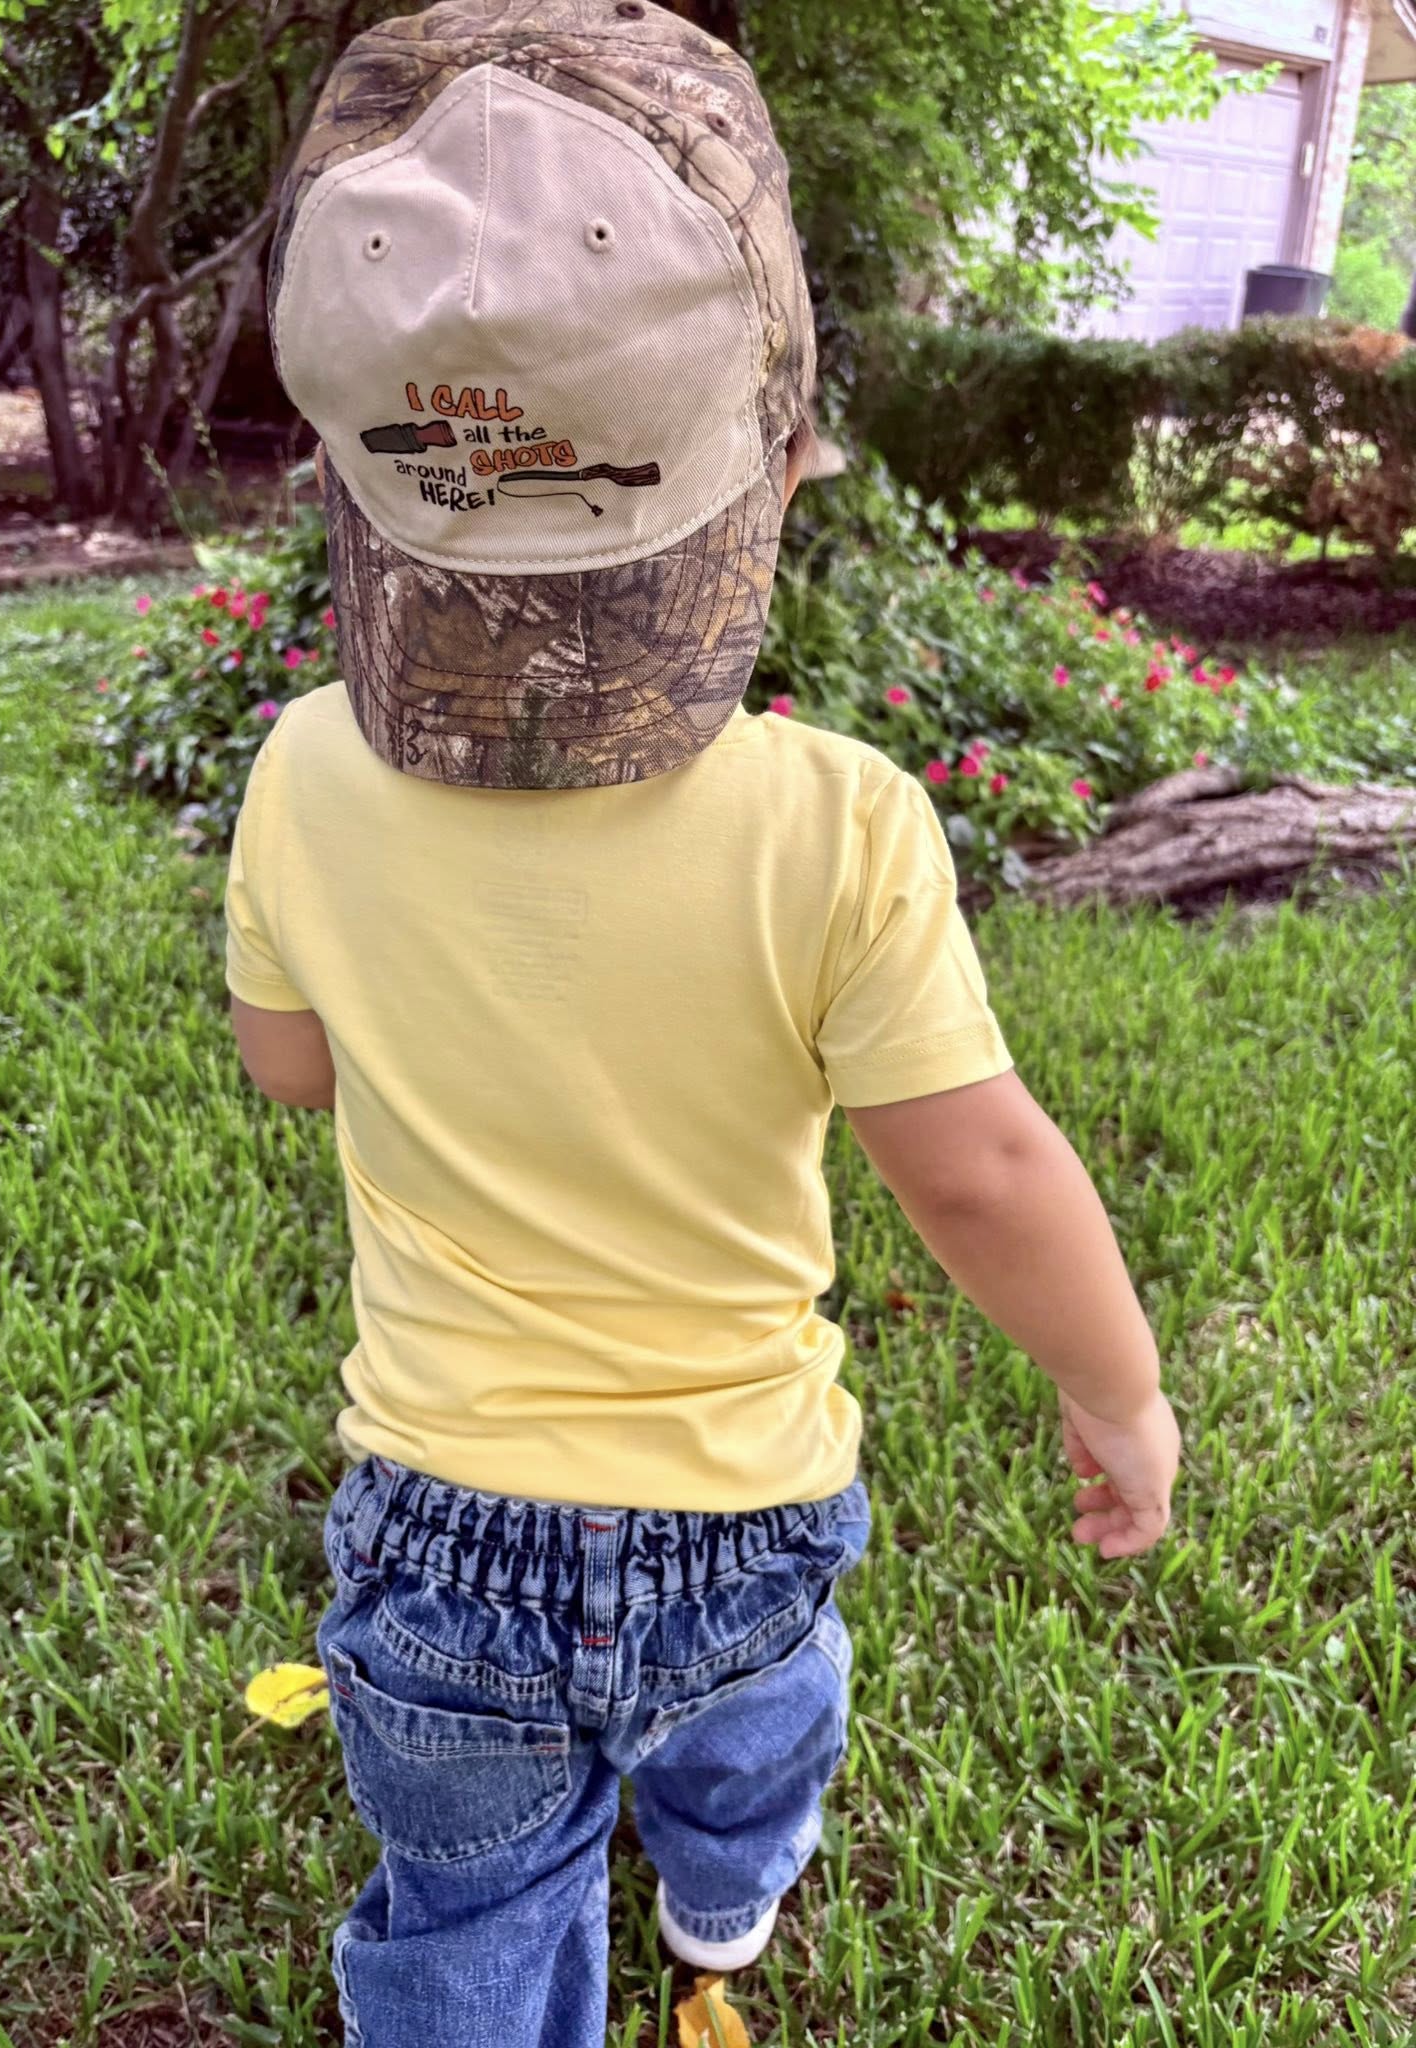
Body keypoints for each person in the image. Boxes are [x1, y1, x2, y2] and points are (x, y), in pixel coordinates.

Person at [224, 3, 1182, 2042]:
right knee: (753, 1754)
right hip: (744, 1526)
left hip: (433, 1536)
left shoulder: (304, 772)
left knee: (467, 1906)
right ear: (778, 452)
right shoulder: (841, 824)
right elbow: (986, 1173)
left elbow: (287, 1065)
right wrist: (1121, 1401)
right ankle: (725, 1919)